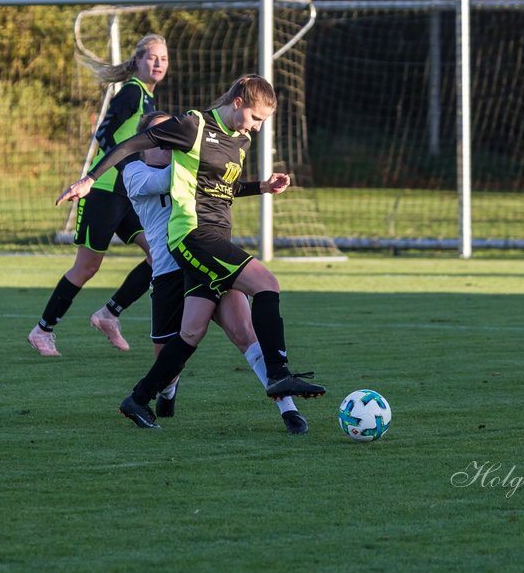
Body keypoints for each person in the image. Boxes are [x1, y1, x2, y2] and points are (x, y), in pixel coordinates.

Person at [57, 74, 325, 431]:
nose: (258, 128)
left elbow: (218, 186)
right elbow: (141, 153)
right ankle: (269, 376)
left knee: (204, 333)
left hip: (212, 244)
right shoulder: (170, 145)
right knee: (261, 288)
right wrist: (89, 179)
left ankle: (141, 399)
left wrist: (260, 186)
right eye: (257, 118)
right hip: (186, 247)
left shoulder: (233, 143)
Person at [122, 111, 306, 434]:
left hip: (208, 257)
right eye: (160, 136)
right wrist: (205, 154)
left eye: (171, 133)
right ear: (145, 144)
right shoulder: (134, 172)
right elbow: (194, 178)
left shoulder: (186, 164)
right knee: (171, 355)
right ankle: (164, 391)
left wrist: (260, 186)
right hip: (168, 273)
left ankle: (289, 410)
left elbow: (213, 184)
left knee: (245, 333)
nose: (168, 142)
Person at [27, 34, 169, 357]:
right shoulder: (131, 92)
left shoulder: (147, 99)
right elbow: (104, 133)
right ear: (138, 62)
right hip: (104, 191)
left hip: (128, 193)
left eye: (163, 58)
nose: (158, 63)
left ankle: (108, 314)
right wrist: (123, 165)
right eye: (152, 57)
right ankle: (42, 331)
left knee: (158, 254)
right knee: (86, 268)